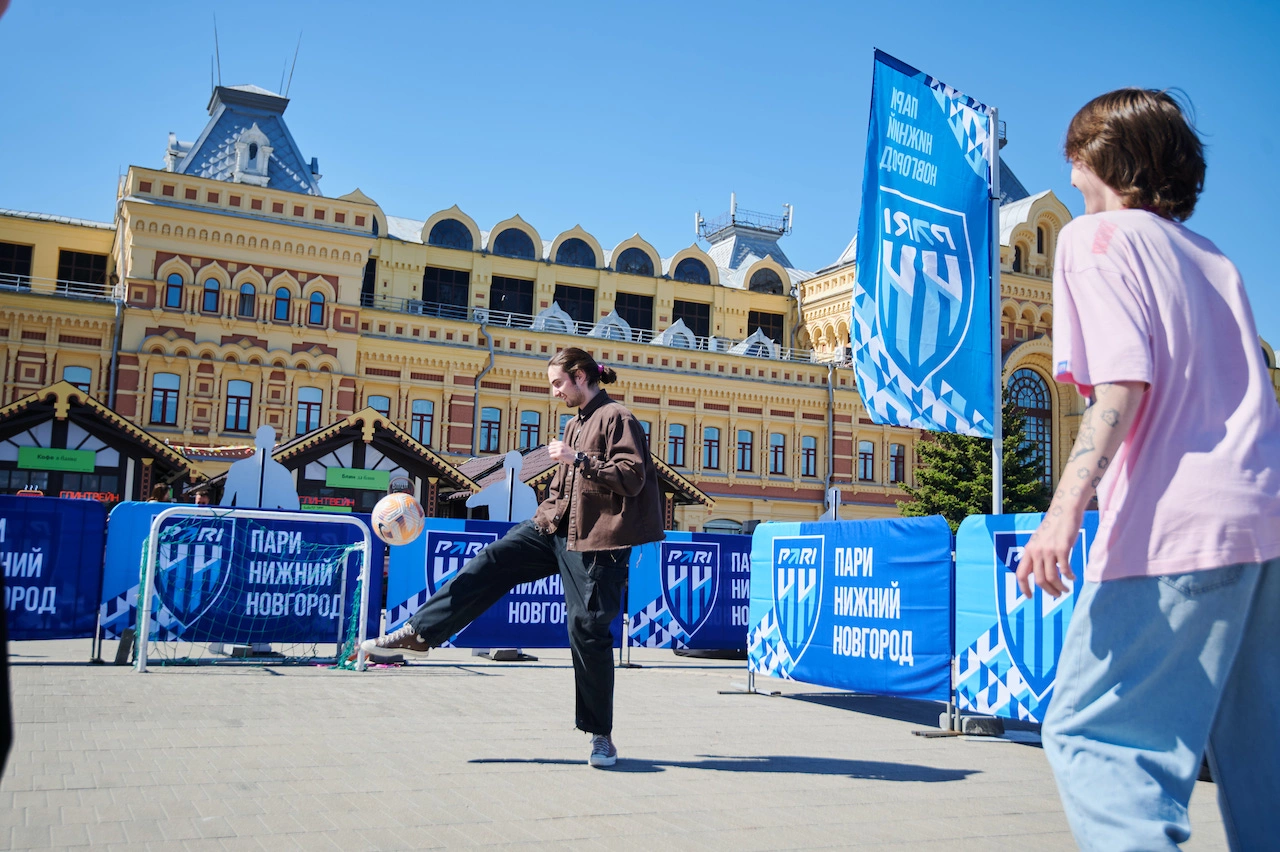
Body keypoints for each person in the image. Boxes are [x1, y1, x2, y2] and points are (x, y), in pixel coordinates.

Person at [1019, 88, 1280, 851]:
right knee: (1258, 752)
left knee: (1095, 735)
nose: (1069, 176)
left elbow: (1122, 385)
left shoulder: (1097, 241)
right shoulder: (1214, 258)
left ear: (1102, 156)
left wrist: (1062, 514)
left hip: (1176, 521)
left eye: (1075, 154)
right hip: (1263, 518)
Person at [362, 347, 664, 767]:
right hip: (553, 530)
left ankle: (600, 736)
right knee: (492, 562)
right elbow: (562, 489)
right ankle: (419, 632)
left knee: (587, 631)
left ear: (580, 376)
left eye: (558, 383)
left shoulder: (618, 418)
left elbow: (632, 478)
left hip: (598, 544)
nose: (555, 392)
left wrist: (579, 459)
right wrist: (542, 516)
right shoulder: (575, 423)